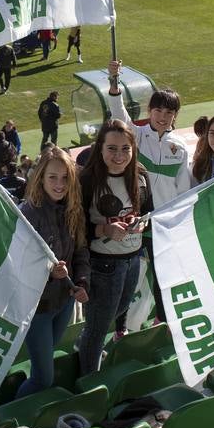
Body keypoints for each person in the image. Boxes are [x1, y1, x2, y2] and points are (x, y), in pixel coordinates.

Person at [107, 59, 190, 322]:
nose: (163, 117)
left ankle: (161, 321)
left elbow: (183, 190)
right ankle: (119, 326)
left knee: (162, 275)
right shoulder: (137, 135)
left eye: (169, 113)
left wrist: (178, 223)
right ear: (150, 110)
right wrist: (114, 81)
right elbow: (118, 114)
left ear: (175, 116)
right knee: (127, 275)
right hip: (133, 219)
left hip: (162, 224)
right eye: (159, 111)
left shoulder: (180, 148)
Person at [78, 120, 152, 374]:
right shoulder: (87, 180)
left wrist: (140, 224)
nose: (119, 156)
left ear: (133, 149)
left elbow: (148, 212)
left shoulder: (140, 174)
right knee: (98, 328)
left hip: (132, 258)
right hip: (103, 263)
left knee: (117, 310)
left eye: (125, 149)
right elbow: (75, 228)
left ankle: (86, 345)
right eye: (112, 148)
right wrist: (104, 230)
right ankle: (88, 377)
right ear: (100, 148)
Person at [16, 147, 89, 397]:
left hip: (64, 302)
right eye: (52, 177)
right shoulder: (29, 213)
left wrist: (81, 283)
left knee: (47, 356)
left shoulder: (73, 209)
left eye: (65, 178)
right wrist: (49, 274)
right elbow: (17, 265)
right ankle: (9, 422)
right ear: (40, 178)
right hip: (38, 309)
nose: (59, 184)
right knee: (42, 379)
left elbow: (80, 252)